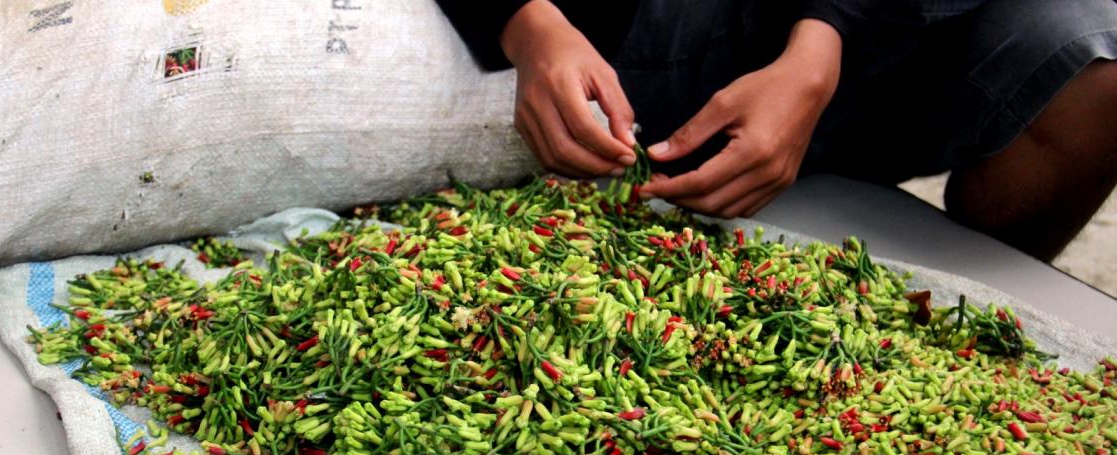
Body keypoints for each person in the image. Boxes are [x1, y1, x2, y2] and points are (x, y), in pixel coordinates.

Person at [434, 0, 1117, 261]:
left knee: (1094, 75)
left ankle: (953, 336)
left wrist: (822, 40)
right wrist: (529, 22)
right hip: (659, 25)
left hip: (877, 26)